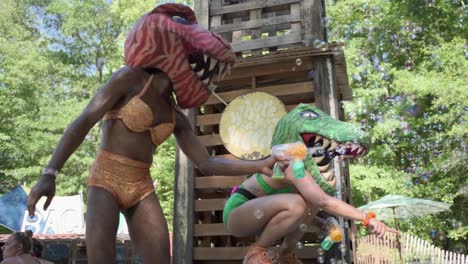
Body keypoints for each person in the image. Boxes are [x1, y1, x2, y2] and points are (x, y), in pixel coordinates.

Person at [26, 3, 276, 264]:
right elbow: (83, 121)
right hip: (105, 178)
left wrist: (262, 165)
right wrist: (49, 174)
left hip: (141, 185)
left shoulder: (175, 115)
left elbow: (207, 163)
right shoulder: (128, 79)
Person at [223, 163, 398, 264]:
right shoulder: (293, 168)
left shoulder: (307, 175)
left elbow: (286, 210)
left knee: (308, 202)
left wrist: (321, 224)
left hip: (259, 217)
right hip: (237, 217)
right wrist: (367, 218)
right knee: (301, 203)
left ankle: (285, 254)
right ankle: (255, 252)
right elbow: (324, 201)